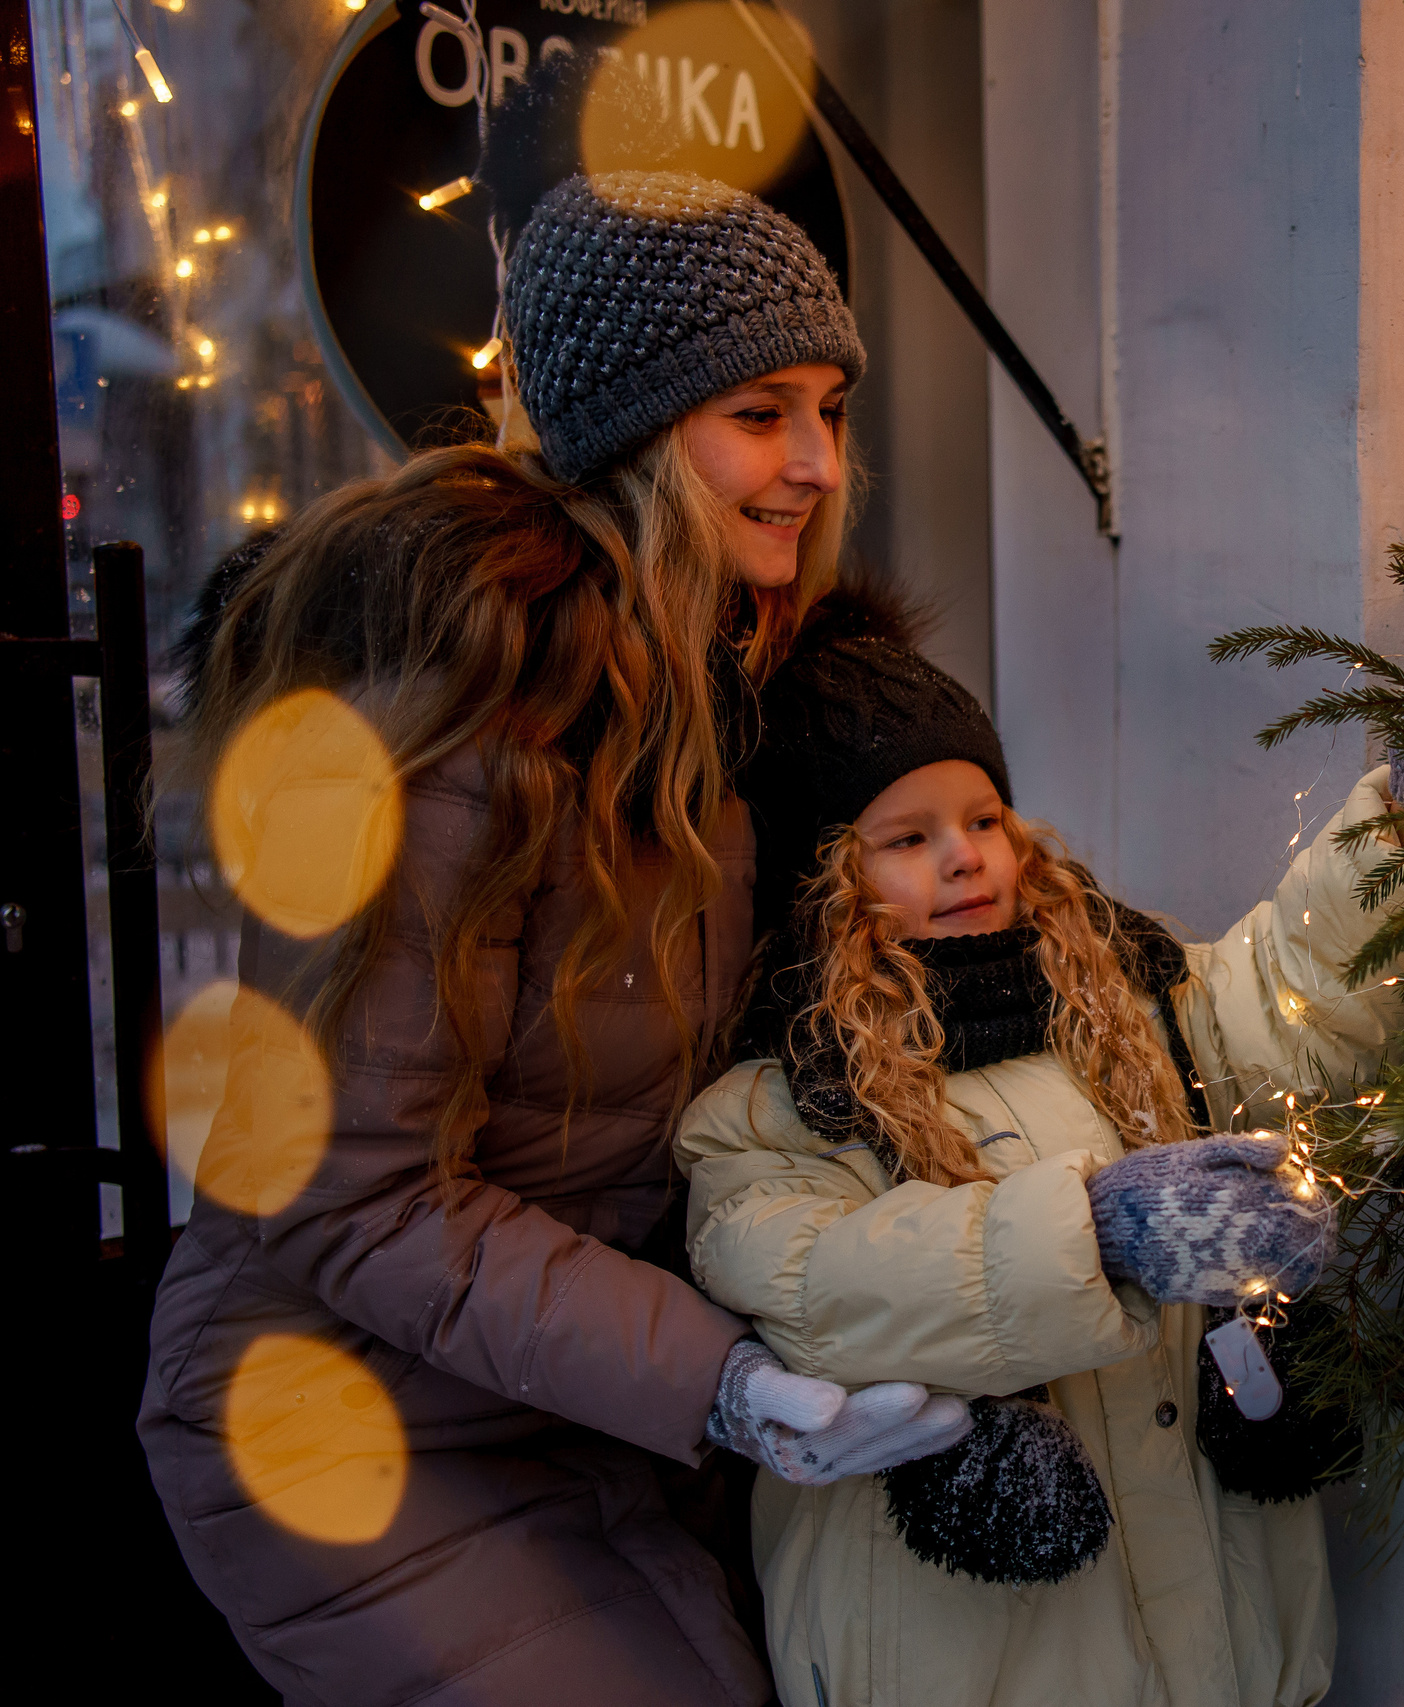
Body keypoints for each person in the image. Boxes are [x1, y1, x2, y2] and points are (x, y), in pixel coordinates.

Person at [139, 171, 970, 1707]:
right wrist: (717, 1377)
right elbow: (349, 1193)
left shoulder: (732, 691)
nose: (813, 463)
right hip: (352, 1419)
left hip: (591, 1400)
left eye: (831, 409)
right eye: (759, 413)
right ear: (638, 431)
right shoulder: (449, 720)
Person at [672, 609, 1404, 1707]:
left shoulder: (1129, 1007)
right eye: (907, 837)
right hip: (977, 1657)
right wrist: (1099, 1232)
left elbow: (1294, 993)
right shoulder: (781, 1103)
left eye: (983, 816)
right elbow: (823, 1288)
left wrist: (1401, 832)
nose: (966, 855)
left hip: (1228, 1632)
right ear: (820, 879)